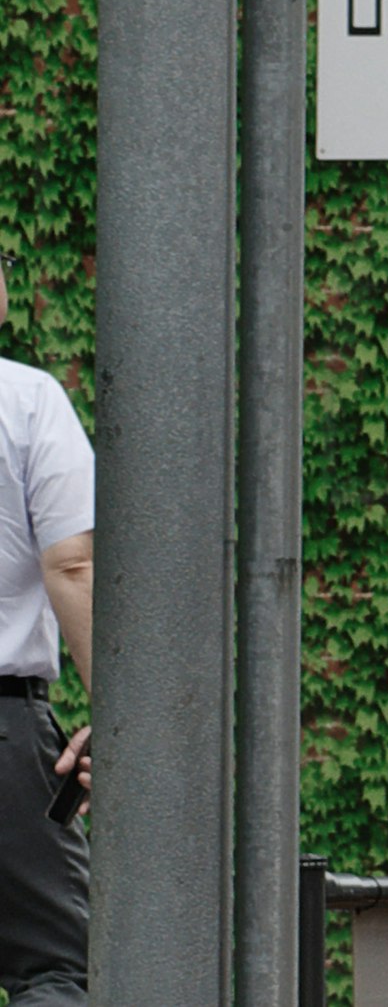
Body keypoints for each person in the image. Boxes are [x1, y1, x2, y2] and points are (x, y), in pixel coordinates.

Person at [0, 261, 89, 1007]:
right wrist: (118, 718)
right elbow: (73, 563)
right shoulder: (26, 400)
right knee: (53, 964)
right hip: (3, 730)